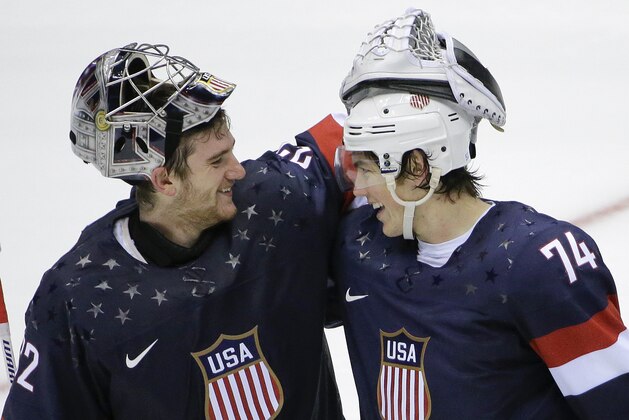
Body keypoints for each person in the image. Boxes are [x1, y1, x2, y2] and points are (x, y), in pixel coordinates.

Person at [3, 43, 346, 419]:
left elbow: (372, 125)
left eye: (230, 150)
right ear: (165, 180)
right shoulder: (76, 300)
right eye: (217, 161)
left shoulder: (276, 198)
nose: (239, 171)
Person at [331, 9, 629, 419]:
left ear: (417, 167)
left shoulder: (537, 264)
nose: (358, 188)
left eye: (366, 168)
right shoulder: (357, 246)